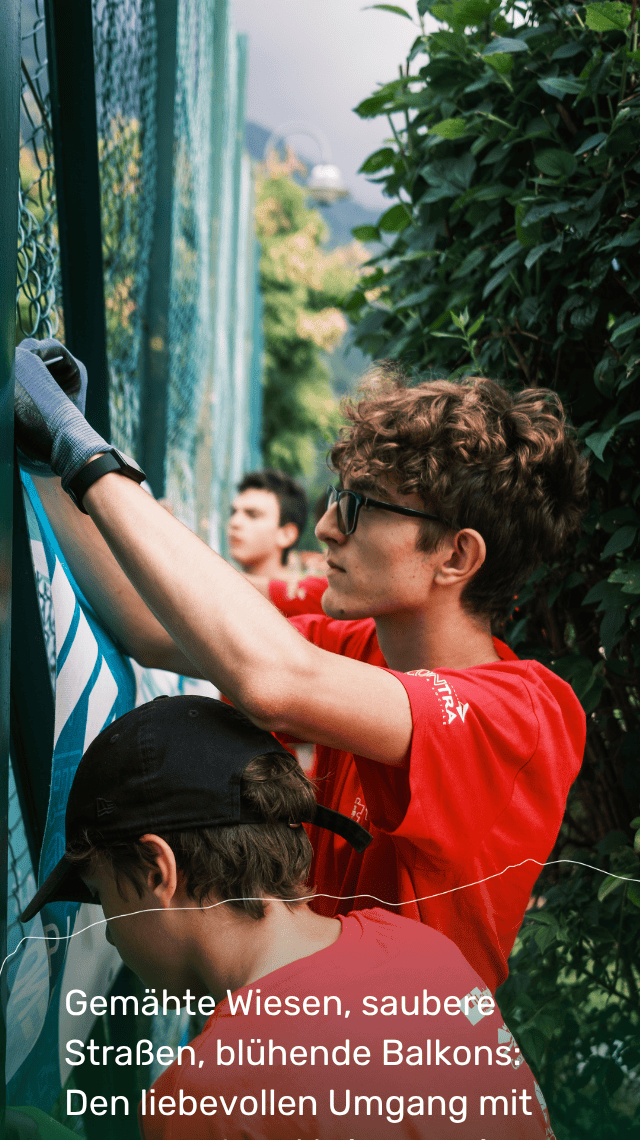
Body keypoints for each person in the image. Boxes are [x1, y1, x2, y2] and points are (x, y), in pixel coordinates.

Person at [6, 697, 595, 1140]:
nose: (107, 932)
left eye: (103, 897)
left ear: (156, 867)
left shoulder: (216, 1084)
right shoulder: (423, 955)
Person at [15, 341, 588, 992]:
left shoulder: (524, 715)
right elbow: (155, 625)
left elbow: (271, 681)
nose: (325, 526)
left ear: (456, 556)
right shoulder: (355, 639)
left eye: (361, 505)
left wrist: (87, 455)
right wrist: (49, 461)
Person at [228, 469, 328, 617]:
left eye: (253, 515)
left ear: (287, 534)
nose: (234, 522)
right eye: (233, 512)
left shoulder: (306, 610)